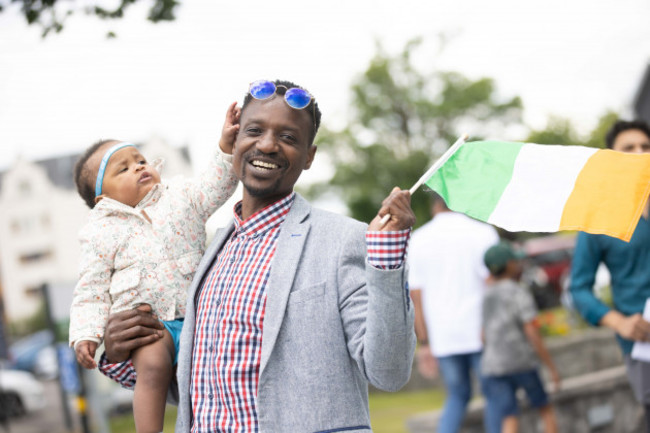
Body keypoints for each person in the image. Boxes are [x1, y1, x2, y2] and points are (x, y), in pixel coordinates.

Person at [96, 79, 417, 433]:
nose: (267, 145)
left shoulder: (343, 241)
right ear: (234, 143)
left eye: (289, 137)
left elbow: (389, 372)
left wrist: (386, 262)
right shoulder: (210, 255)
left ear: (309, 157)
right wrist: (117, 352)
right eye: (254, 130)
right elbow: (196, 387)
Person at [69, 103, 240, 433]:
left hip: (199, 316)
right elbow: (90, 290)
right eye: (123, 169)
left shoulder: (178, 196)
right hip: (151, 326)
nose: (138, 167)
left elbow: (213, 186)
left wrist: (225, 147)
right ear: (102, 197)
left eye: (140, 160)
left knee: (218, 363)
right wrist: (84, 335)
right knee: (151, 365)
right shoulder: (99, 231)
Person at [569, 119, 650, 430]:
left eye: (646, 146)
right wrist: (619, 322)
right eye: (629, 148)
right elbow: (579, 288)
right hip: (642, 344)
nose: (640, 152)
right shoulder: (598, 217)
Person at [408, 193, 499, 433]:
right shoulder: (482, 232)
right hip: (481, 330)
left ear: (434, 206)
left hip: (443, 334)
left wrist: (424, 343)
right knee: (495, 395)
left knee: (457, 396)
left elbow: (415, 297)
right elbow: (492, 284)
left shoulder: (417, 240)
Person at [481, 242, 560, 433]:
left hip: (494, 365)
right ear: (509, 265)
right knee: (545, 408)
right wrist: (551, 367)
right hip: (521, 361)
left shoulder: (486, 295)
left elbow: (483, 335)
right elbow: (532, 331)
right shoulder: (518, 291)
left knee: (509, 415)